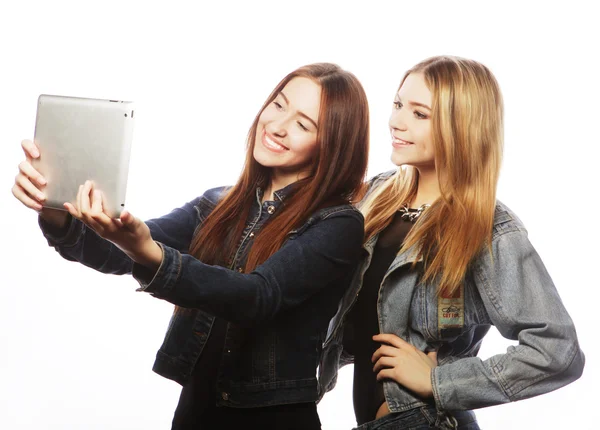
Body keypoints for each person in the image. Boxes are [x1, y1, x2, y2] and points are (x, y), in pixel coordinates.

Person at [12, 63, 370, 430]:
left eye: (302, 124)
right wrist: (56, 209)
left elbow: (257, 297)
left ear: (332, 144)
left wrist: (148, 251)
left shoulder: (338, 223)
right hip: (196, 411)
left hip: (273, 419)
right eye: (278, 105)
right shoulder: (219, 203)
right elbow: (114, 252)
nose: (277, 126)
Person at [318, 56, 585, 430]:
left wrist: (438, 382)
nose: (396, 121)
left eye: (420, 114)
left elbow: (558, 351)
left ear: (462, 127)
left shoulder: (488, 228)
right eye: (398, 105)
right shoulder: (375, 197)